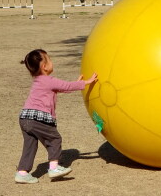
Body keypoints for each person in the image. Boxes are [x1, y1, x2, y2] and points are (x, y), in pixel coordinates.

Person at [15, 49, 98, 184]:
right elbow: (66, 85)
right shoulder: (48, 80)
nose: (52, 62)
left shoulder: (39, 81)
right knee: (54, 139)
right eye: (49, 59)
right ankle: (54, 168)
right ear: (44, 66)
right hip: (38, 119)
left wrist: (77, 84)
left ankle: (22, 172)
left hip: (25, 118)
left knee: (30, 146)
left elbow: (63, 88)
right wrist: (87, 82)